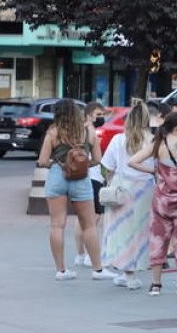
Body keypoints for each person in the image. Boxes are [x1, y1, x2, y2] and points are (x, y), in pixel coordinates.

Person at [36, 99, 114, 281]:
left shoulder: (53, 133)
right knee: (89, 224)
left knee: (57, 224)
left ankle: (61, 270)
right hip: (81, 178)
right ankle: (98, 269)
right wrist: (80, 164)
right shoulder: (88, 131)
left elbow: (42, 161)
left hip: (57, 175)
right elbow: (97, 159)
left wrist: (59, 164)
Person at [129, 111, 177, 296]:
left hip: (161, 199)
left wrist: (153, 171)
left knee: (159, 238)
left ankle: (155, 284)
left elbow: (132, 161)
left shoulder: (157, 143)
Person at [101, 101, 156, 290]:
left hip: (122, 188)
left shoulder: (118, 139)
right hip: (146, 189)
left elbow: (106, 167)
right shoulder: (153, 141)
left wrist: (109, 180)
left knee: (121, 231)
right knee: (141, 231)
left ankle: (127, 272)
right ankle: (134, 270)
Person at [74, 101, 107, 267]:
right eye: (98, 115)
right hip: (92, 177)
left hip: (82, 176)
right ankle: (87, 255)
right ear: (89, 115)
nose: (101, 118)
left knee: (82, 219)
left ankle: (80, 255)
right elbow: (98, 159)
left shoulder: (80, 129)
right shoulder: (90, 131)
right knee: (93, 218)